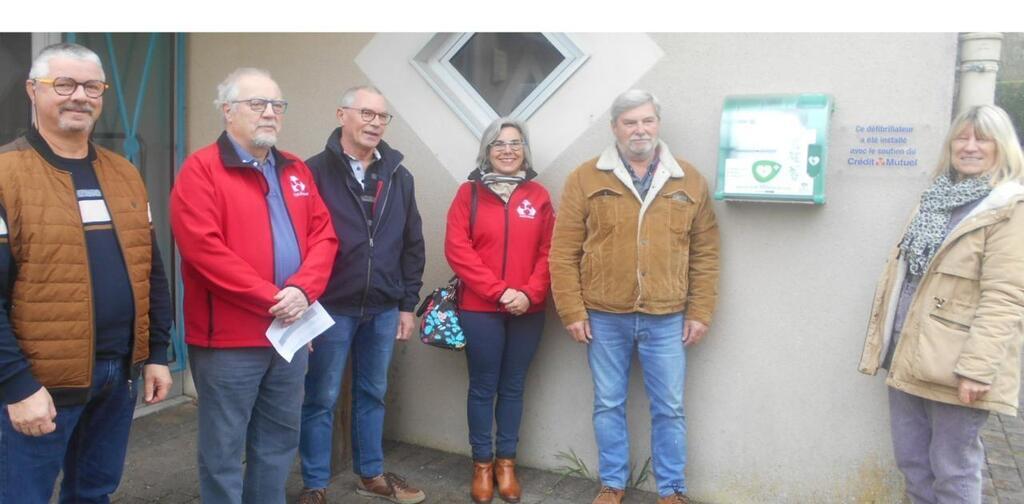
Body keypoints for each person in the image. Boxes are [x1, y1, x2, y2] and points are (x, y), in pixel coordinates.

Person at [0, 42, 173, 504]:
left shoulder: (124, 173)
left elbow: (150, 267)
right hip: (40, 385)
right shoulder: (6, 174)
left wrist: (156, 350)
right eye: (64, 84)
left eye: (91, 86)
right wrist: (16, 385)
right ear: (32, 91)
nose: (80, 95)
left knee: (95, 492)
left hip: (119, 378)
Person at [170, 67, 337, 504]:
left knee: (279, 441)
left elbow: (325, 236)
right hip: (228, 340)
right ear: (227, 111)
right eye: (257, 104)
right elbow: (203, 251)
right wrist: (274, 299)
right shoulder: (201, 170)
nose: (270, 113)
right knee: (223, 449)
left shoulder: (296, 168)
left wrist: (303, 291)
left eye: (277, 105)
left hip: (291, 335)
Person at [549, 89, 720, 504]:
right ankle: (612, 484)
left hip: (667, 317)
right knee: (608, 403)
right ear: (614, 128)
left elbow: (706, 252)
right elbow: (563, 250)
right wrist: (572, 310)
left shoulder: (689, 180)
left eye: (646, 121)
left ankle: (672, 490)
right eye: (630, 122)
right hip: (604, 317)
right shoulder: (586, 178)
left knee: (670, 408)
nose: (639, 129)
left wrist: (699, 310)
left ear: (657, 124)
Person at [858, 104, 1024, 504]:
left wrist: (978, 369)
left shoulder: (1008, 208)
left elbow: (1005, 296)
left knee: (953, 471)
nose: (969, 147)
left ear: (1003, 147)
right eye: (961, 138)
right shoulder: (935, 198)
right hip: (906, 354)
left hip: (958, 365)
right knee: (914, 465)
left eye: (982, 139)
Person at [298, 85, 426, 504]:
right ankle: (315, 483)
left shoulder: (397, 175)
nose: (374, 123)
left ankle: (370, 474)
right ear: (342, 114)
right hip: (329, 306)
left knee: (372, 393)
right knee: (321, 397)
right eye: (366, 114)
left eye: (382, 117)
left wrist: (408, 304)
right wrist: (304, 303)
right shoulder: (312, 172)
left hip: (384, 307)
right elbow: (299, 241)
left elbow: (412, 243)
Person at [444, 118, 554, 504]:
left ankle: (507, 463)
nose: (508, 150)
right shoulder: (468, 194)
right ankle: (482, 465)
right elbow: (458, 250)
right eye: (499, 144)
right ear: (486, 151)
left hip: (529, 308)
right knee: (482, 386)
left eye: (516, 143)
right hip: (480, 309)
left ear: (525, 149)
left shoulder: (538, 196)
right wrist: (499, 292)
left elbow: (549, 251)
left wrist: (528, 293)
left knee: (513, 386)